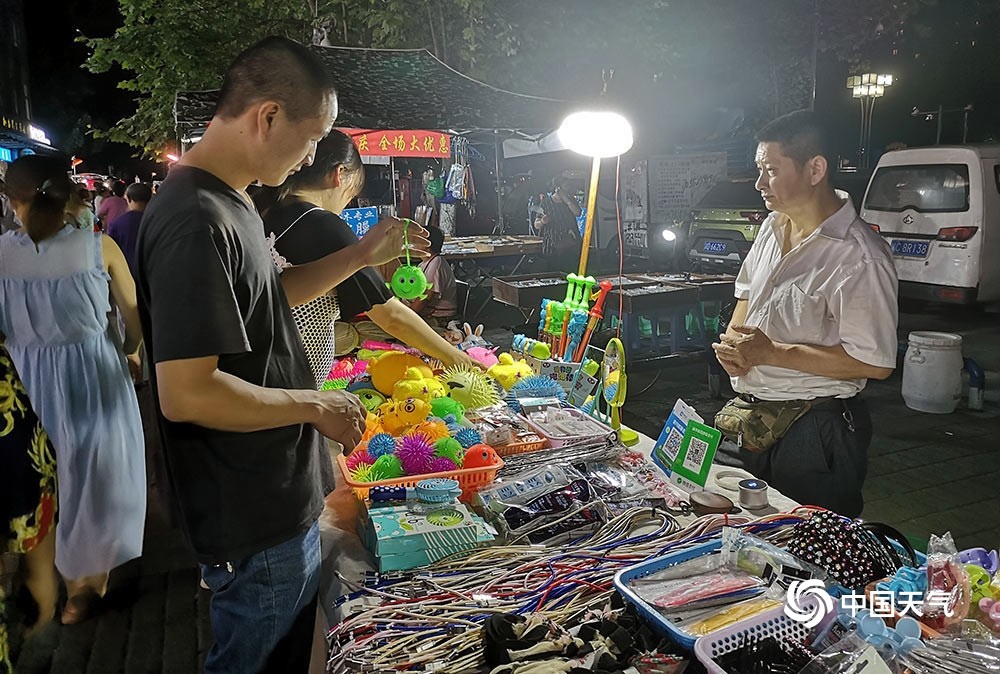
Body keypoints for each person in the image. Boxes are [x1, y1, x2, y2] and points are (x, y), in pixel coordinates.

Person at [135, 36, 426, 674]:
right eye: (312, 136)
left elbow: (269, 298)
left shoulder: (232, 200)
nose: (314, 157)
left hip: (274, 495)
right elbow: (187, 392)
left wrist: (357, 256)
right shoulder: (194, 218)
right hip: (250, 507)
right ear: (267, 116)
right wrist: (314, 403)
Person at [711, 110, 898, 518]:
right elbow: (745, 292)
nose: (760, 183)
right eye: (759, 169)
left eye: (771, 170)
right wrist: (734, 343)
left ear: (815, 169)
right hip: (748, 415)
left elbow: (875, 361)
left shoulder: (858, 256)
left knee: (805, 545)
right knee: (732, 530)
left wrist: (771, 352)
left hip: (815, 428)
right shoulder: (771, 227)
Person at [0, 155, 147, 626]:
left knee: (46, 477)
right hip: (94, 375)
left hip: (26, 379)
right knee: (95, 479)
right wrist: (130, 351)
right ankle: (83, 589)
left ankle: (47, 577)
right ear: (68, 195)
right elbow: (134, 319)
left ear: (11, 201)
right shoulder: (98, 248)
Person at [264, 130, 475, 388]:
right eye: (351, 194)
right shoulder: (324, 226)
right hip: (288, 383)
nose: (345, 205)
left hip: (259, 373)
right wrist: (453, 356)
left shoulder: (266, 210)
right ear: (339, 174)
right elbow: (389, 315)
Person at [407, 225, 458, 326]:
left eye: (415, 240)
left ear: (427, 244)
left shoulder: (436, 263)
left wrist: (407, 317)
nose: (411, 244)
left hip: (438, 318)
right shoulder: (423, 263)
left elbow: (426, 297)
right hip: (426, 313)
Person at [532, 177, 582, 272]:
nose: (569, 189)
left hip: (571, 245)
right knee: (556, 273)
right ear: (557, 188)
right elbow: (536, 224)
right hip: (553, 247)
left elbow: (577, 213)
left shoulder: (570, 200)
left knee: (572, 272)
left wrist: (566, 199)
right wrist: (543, 221)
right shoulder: (546, 202)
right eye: (566, 186)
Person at [106, 182, 152, 277]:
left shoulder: (116, 224)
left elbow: (111, 251)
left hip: (126, 272)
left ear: (129, 199)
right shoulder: (157, 220)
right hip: (153, 271)